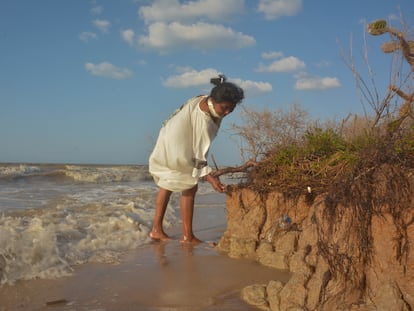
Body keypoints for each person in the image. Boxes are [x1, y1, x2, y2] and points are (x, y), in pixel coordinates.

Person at [148, 74, 244, 244]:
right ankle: (187, 236)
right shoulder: (205, 119)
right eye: (225, 108)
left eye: (232, 108)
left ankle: (156, 230)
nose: (228, 112)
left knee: (167, 182)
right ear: (214, 101)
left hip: (168, 137)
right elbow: (199, 156)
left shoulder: (204, 99)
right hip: (177, 145)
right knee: (190, 186)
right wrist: (211, 179)